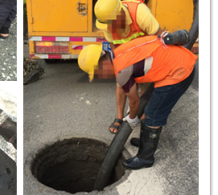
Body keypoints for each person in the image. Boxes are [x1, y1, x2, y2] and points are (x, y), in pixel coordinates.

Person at [78, 31, 196, 170]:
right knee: (151, 109)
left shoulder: (122, 71)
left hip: (179, 72)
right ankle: (146, 142)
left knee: (153, 113)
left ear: (102, 65)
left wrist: (132, 118)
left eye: (98, 74)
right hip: (179, 61)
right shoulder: (119, 53)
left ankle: (145, 158)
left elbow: (134, 101)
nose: (101, 77)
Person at [94, 0, 163, 134]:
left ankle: (141, 114)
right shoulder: (108, 26)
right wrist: (123, 72)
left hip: (147, 54)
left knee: (145, 88)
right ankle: (119, 117)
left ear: (119, 15)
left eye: (110, 23)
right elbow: (116, 52)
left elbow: (159, 39)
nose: (108, 27)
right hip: (127, 56)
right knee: (121, 83)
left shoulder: (140, 13)